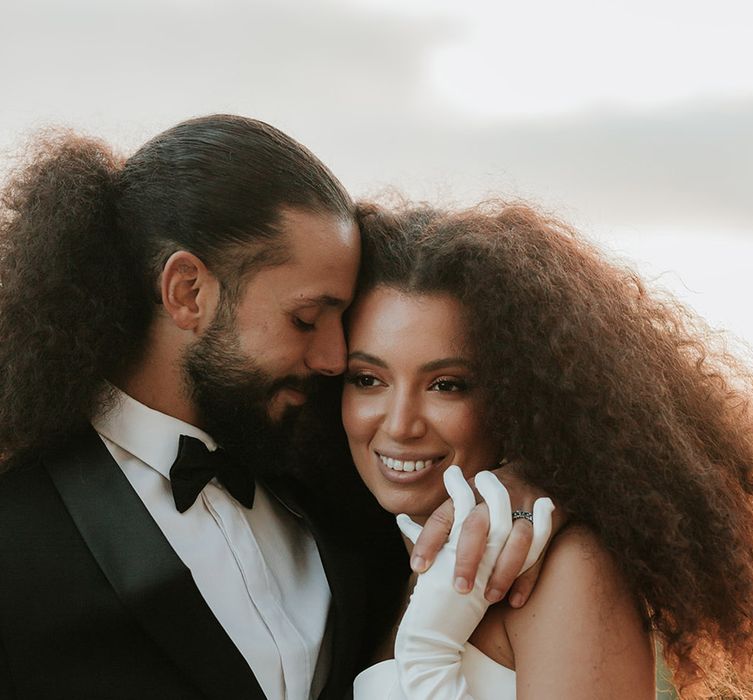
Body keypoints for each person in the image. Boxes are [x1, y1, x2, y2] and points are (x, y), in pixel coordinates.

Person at [0, 117, 544, 700]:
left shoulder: (332, 469)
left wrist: (518, 482)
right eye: (306, 319)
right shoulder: (19, 522)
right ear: (188, 292)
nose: (336, 358)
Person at [341, 201, 753, 699]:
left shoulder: (571, 569)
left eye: (448, 385)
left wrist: (426, 655)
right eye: (367, 379)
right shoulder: (362, 558)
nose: (400, 424)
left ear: (520, 395)